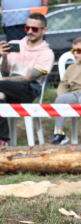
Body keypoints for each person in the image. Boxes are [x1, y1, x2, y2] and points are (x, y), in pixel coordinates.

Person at [0, 13, 54, 146]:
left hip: (29, 89)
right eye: (27, 28)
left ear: (44, 30)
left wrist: (2, 81)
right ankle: (3, 140)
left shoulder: (47, 53)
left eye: (34, 29)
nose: (30, 31)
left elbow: (28, 78)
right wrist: (5, 58)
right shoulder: (14, 45)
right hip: (6, 87)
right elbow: (4, 72)